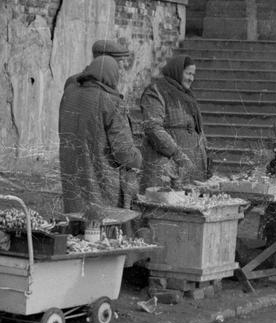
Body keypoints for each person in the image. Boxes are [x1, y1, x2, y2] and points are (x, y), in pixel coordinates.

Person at [58, 54, 142, 215]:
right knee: (100, 224)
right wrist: (137, 158)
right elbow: (123, 153)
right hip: (101, 176)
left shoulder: (69, 94)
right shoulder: (111, 101)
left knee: (76, 218)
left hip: (71, 167)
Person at [139, 55, 210, 191]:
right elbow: (153, 127)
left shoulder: (187, 96)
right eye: (188, 73)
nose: (191, 78)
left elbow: (198, 129)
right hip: (167, 165)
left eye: (193, 74)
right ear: (177, 71)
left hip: (189, 166)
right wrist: (177, 155)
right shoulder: (156, 91)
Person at [64, 39, 130, 91]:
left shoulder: (74, 80)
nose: (122, 67)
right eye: (119, 62)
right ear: (105, 61)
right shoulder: (75, 82)